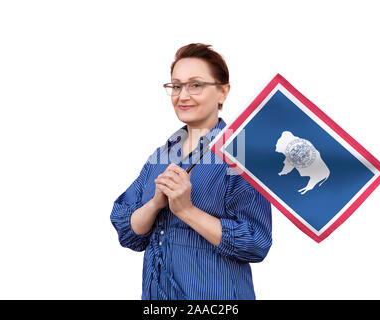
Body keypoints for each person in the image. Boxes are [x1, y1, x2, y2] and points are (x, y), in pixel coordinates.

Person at [110, 43, 272, 300]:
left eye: (195, 85)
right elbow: (128, 231)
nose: (182, 96)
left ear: (223, 92)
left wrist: (186, 210)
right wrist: (154, 204)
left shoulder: (241, 157)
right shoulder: (160, 157)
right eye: (176, 86)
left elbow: (256, 243)